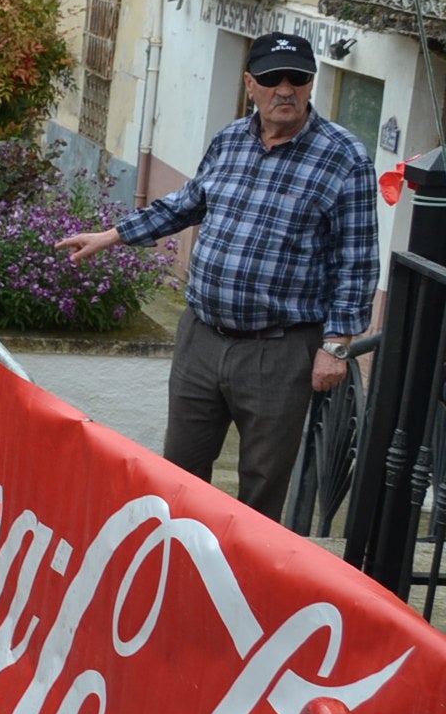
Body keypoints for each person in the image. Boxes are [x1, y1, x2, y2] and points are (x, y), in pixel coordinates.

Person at [57, 32, 379, 522]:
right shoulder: (230, 140)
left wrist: (336, 345)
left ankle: (244, 588)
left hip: (280, 350)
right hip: (202, 339)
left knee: (263, 485)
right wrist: (114, 235)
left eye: (298, 79)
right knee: (180, 471)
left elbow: (356, 259)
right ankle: (177, 568)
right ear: (251, 83)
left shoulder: (345, 157)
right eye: (272, 79)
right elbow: (187, 204)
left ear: (311, 84)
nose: (285, 90)